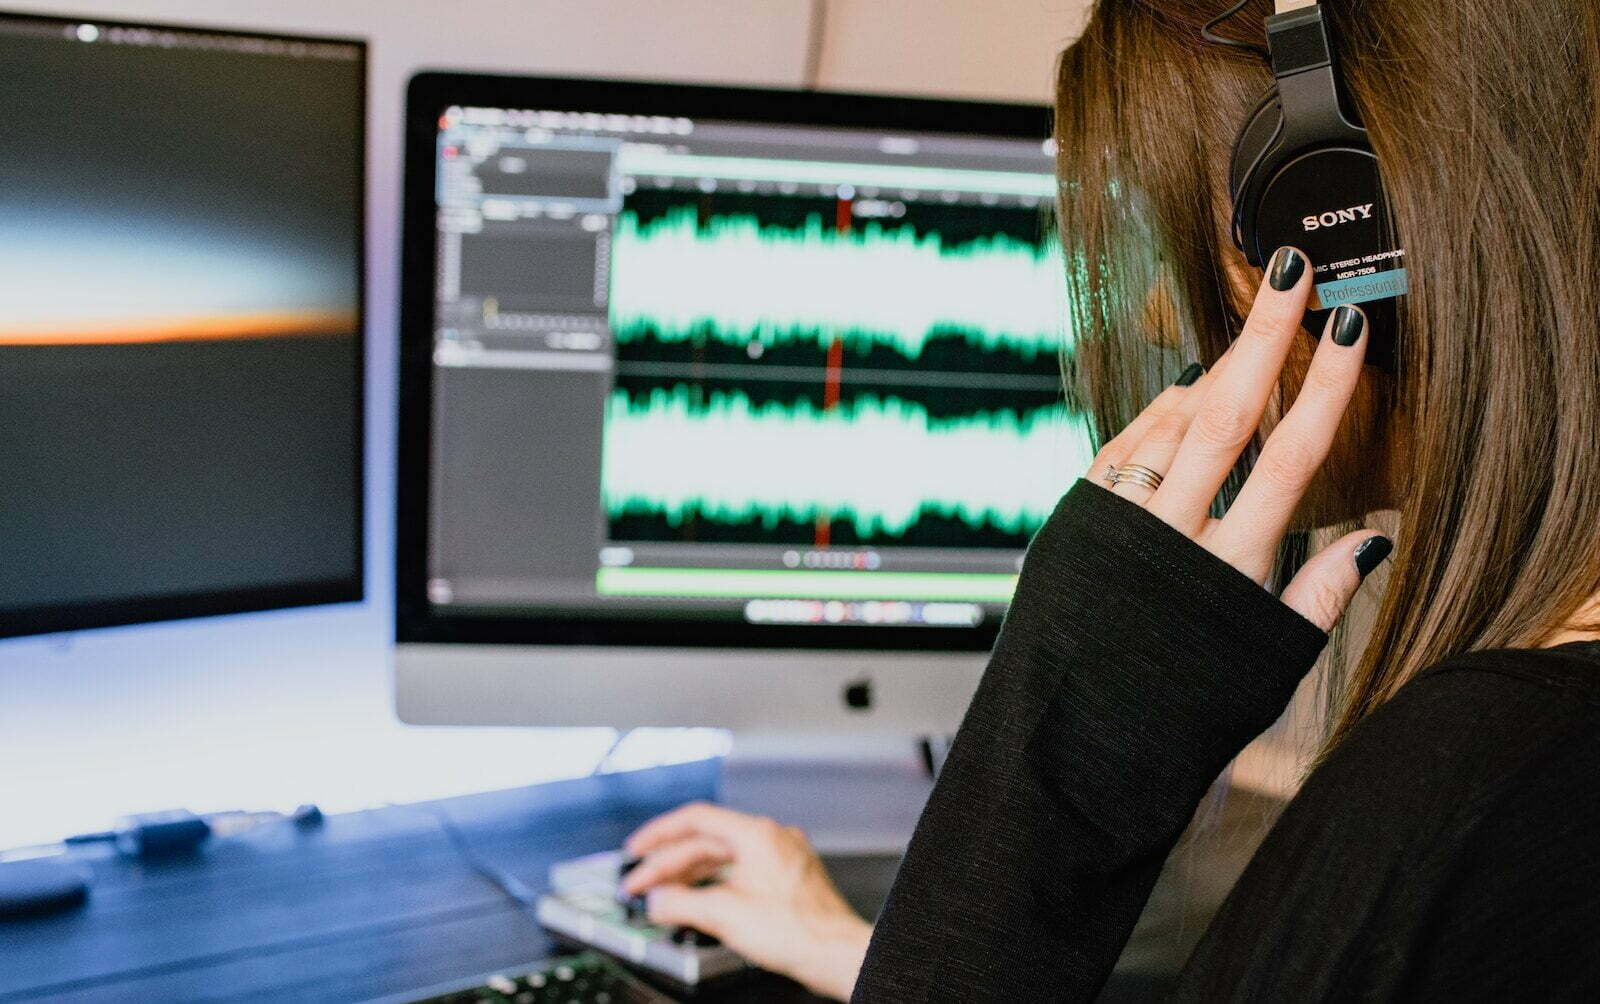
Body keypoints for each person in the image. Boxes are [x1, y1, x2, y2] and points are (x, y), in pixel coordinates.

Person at [623, 0, 1600, 999]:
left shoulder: (1479, 788)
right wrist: (862, 953)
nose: (1151, 309)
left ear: (1352, 230)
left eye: (1207, 230)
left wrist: (1064, 748)